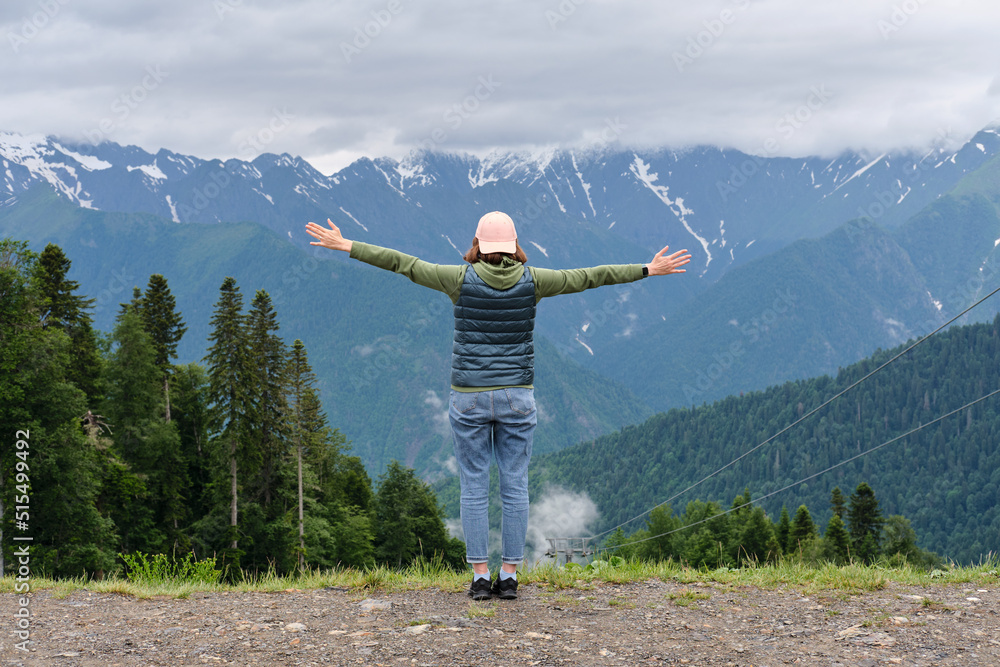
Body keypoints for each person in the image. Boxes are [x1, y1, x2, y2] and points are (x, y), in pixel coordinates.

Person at [305, 211, 690, 600]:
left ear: (477, 245)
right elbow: (591, 276)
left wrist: (346, 245)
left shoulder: (457, 279)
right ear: (514, 246)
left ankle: (478, 577)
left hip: (468, 396)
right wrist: (647, 269)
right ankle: (508, 575)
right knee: (515, 486)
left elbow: (403, 263)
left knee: (473, 488)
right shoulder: (535, 280)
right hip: (517, 398)